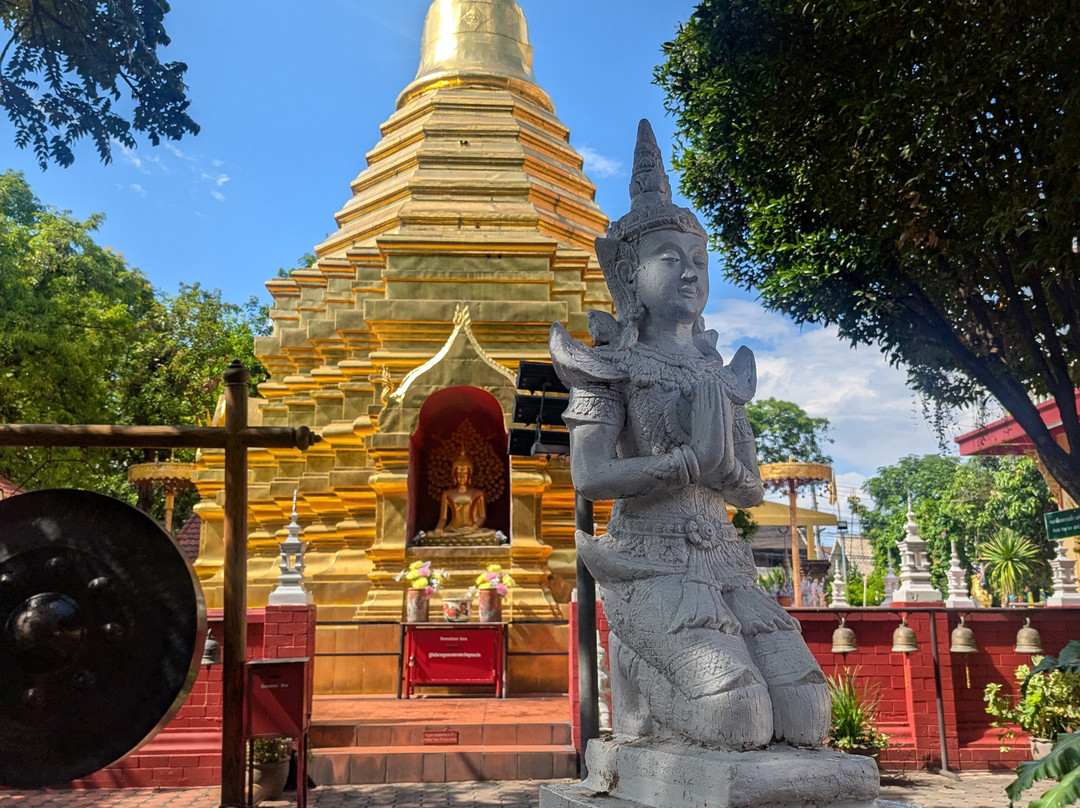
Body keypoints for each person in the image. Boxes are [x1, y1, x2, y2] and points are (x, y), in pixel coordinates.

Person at [550, 120, 829, 750]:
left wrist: (721, 467)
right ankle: (642, 683)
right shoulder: (609, 367)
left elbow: (750, 489)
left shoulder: (718, 374)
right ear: (629, 275)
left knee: (808, 709)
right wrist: (684, 462)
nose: (689, 274)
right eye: (670, 259)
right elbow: (590, 477)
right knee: (739, 715)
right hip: (649, 561)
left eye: (699, 262)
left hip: (726, 563)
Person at [425, 450, 497, 541]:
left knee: (492, 533)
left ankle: (461, 537)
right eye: (459, 473)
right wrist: (438, 529)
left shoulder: (478, 493)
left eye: (465, 473)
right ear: (454, 475)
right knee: (429, 535)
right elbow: (443, 518)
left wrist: (473, 528)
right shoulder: (447, 494)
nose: (462, 476)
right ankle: (460, 538)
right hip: (452, 530)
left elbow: (482, 517)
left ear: (470, 475)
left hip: (471, 531)